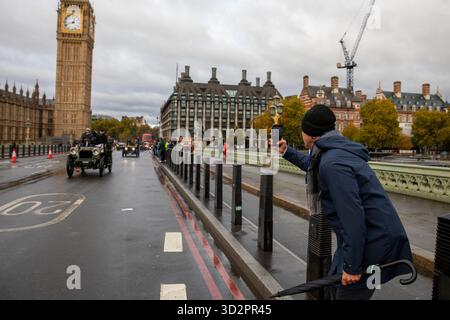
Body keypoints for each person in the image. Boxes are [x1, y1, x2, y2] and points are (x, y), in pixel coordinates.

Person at [278, 104, 412, 300]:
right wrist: (287, 151)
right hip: (360, 239)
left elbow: (353, 218)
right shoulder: (333, 150)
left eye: (303, 129)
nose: (301, 133)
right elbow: (313, 165)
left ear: (313, 134)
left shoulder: (332, 163)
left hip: (373, 243)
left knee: (348, 294)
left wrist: (352, 266)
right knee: (335, 288)